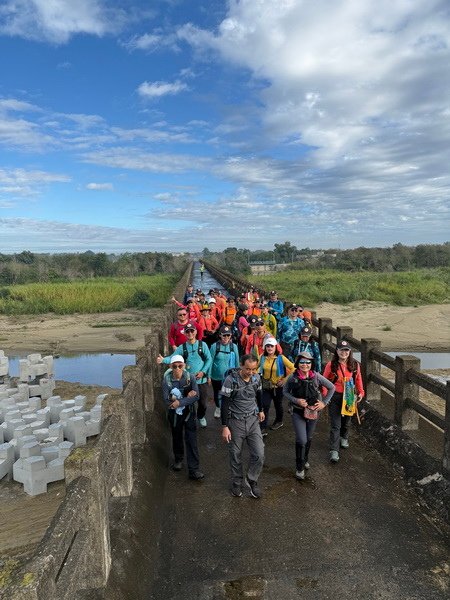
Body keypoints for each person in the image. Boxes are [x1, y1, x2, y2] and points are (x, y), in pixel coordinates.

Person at [283, 352, 335, 480]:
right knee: (302, 439)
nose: (305, 365)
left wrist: (324, 403)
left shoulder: (316, 376)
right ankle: (299, 467)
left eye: (308, 362)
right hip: (298, 411)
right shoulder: (292, 377)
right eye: (302, 362)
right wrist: (296, 400)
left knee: (309, 436)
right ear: (297, 363)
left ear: (312, 364)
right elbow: (285, 391)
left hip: (313, 411)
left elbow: (332, 387)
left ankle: (305, 459)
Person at [220, 354, 265, 499]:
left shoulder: (257, 378)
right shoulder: (230, 381)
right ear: (241, 365)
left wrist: (261, 410)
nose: (250, 372)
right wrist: (224, 426)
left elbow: (259, 394)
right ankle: (237, 481)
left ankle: (252, 479)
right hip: (235, 421)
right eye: (247, 369)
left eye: (253, 369)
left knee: (259, 453)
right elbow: (225, 404)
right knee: (235, 453)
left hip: (252, 420)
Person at [158, 322, 212, 428]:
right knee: (188, 401)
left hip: (201, 380)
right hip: (188, 380)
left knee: (203, 403)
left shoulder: (202, 345)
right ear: (185, 334)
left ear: (196, 332)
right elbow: (173, 357)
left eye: (192, 331)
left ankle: (201, 416)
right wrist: (163, 359)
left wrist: (203, 372)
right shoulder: (182, 347)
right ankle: (190, 419)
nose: (190, 333)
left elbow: (209, 359)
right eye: (187, 331)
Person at [161, 355, 204, 480]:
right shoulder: (166, 381)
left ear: (184, 366)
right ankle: (178, 459)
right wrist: (187, 396)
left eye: (180, 366)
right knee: (177, 436)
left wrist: (180, 401)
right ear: (170, 367)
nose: (178, 369)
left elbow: (196, 396)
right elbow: (167, 401)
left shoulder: (190, 378)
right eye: (175, 366)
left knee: (191, 439)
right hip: (174, 414)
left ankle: (194, 469)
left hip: (189, 412)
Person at [323, 340, 365, 463]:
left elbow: (358, 380)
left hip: (349, 396)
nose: (344, 352)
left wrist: (361, 392)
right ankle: (334, 450)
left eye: (346, 350)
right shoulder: (331, 365)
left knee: (346, 421)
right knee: (336, 425)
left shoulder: (355, 365)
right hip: (335, 395)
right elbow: (324, 381)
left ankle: (344, 437)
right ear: (337, 351)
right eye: (341, 350)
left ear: (350, 352)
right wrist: (326, 396)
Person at [258, 337, 294, 435]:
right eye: (268, 346)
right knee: (264, 405)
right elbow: (256, 367)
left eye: (272, 346)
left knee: (278, 405)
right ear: (265, 347)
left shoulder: (280, 358)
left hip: (277, 387)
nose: (269, 348)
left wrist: (284, 380)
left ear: (275, 347)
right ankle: (263, 427)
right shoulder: (262, 357)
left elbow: (293, 368)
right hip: (266, 386)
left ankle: (279, 421)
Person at [209, 325, 240, 418]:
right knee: (217, 392)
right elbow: (210, 361)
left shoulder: (233, 346)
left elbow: (237, 361)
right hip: (217, 375)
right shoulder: (215, 346)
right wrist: (209, 376)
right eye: (224, 335)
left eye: (228, 335)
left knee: (229, 393)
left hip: (230, 376)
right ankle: (218, 408)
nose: (226, 338)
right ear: (220, 335)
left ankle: (228, 408)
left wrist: (238, 375)